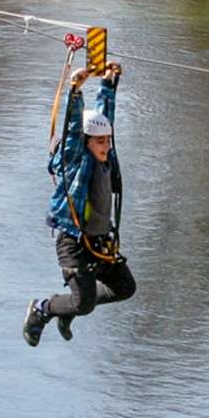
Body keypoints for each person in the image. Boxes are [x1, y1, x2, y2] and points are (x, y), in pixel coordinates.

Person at [22, 61, 136, 346]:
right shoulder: (76, 162)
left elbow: (103, 117)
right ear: (86, 143)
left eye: (108, 141)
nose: (106, 147)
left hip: (100, 241)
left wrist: (108, 84)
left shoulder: (104, 156)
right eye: (100, 142)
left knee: (125, 288)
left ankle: (69, 307)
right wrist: (76, 90)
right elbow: (75, 129)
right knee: (83, 304)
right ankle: (42, 309)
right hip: (74, 243)